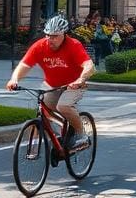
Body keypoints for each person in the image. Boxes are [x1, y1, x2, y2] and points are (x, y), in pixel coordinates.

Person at [7, 15, 95, 150]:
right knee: (43, 109)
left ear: (64, 35)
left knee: (63, 106)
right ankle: (38, 145)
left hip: (73, 85)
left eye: (54, 36)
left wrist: (80, 79)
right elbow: (24, 65)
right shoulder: (40, 46)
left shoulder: (73, 45)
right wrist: (14, 79)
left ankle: (81, 135)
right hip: (51, 85)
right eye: (48, 35)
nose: (50, 39)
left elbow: (89, 65)